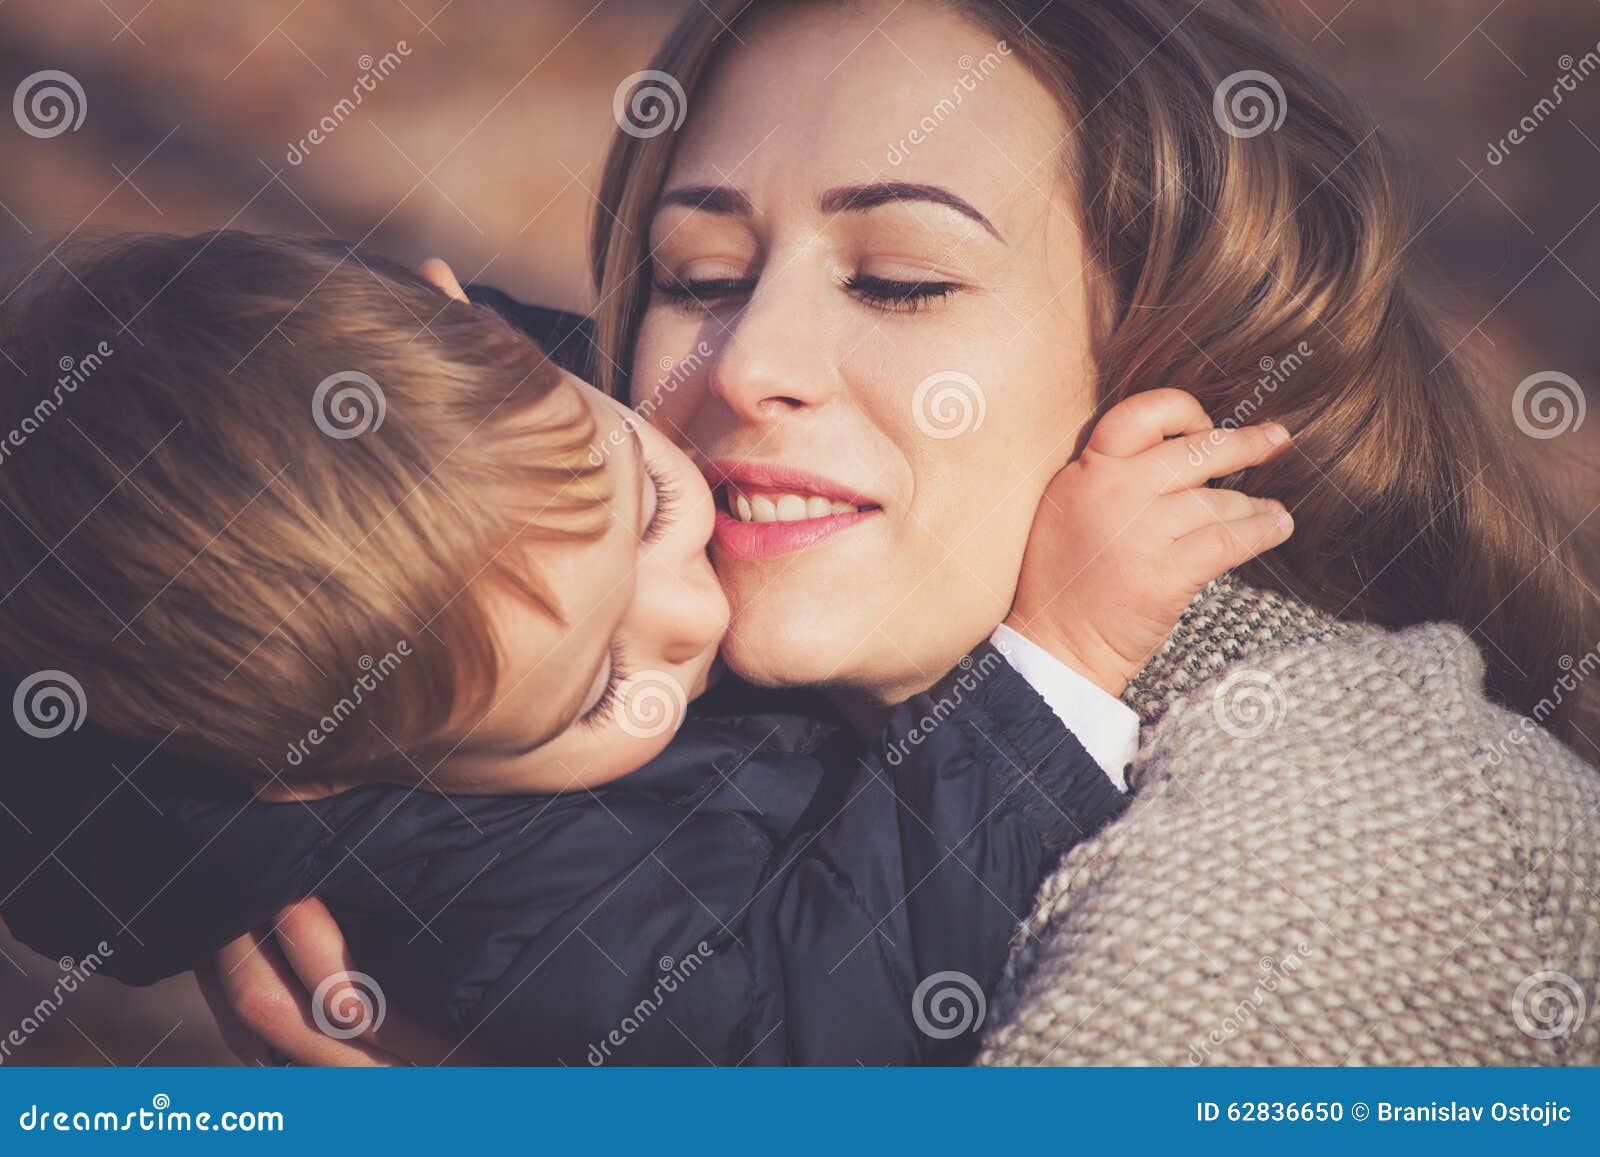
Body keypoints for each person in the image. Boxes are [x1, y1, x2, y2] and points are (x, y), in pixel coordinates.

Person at [200, 0, 1597, 1066]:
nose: (749, 365)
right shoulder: (609, 604)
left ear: (1184, 375)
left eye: (905, 282)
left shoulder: (1321, 861)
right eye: (702, 277)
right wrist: (233, 813)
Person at [0, 231, 1293, 1063]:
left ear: (467, 321)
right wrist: (1056, 650)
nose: (694, 616)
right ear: (322, 775)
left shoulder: (483, 419)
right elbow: (804, 1032)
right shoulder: (486, 909)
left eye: (655, 505)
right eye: (599, 692)